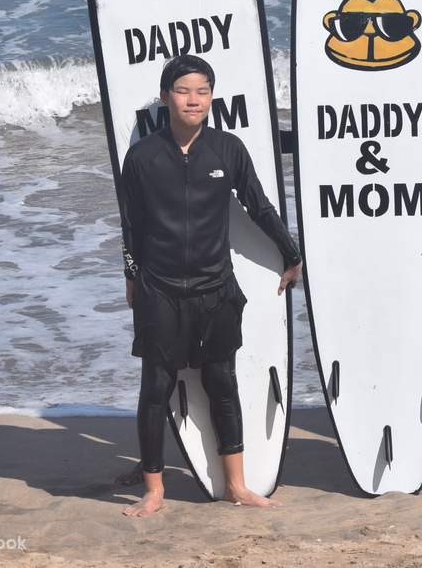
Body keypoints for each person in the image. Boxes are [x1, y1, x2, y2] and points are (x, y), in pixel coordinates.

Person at [118, 55, 302, 517]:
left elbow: (258, 205)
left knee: (221, 380)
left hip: (215, 286)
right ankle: (154, 489)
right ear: (165, 98)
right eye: (183, 90)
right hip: (159, 287)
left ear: (212, 97)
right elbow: (130, 225)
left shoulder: (227, 149)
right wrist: (131, 277)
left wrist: (291, 253)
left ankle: (236, 485)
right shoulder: (142, 156)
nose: (193, 99)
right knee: (155, 386)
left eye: (202, 90)